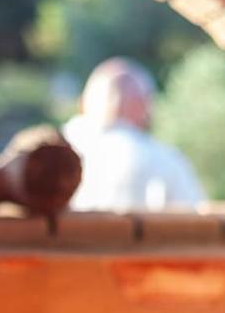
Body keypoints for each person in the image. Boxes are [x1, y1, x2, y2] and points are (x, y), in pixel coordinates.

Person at [63, 58, 206, 212]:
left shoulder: (54, 148)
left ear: (84, 102)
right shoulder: (164, 160)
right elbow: (195, 216)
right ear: (141, 104)